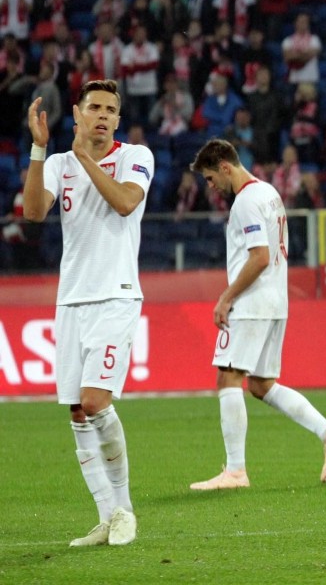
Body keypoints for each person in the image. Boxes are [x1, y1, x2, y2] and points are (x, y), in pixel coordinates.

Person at [23, 80, 154, 547]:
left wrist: (83, 158)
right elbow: (34, 211)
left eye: (110, 109)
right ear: (76, 114)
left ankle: (126, 512)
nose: (102, 114)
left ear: (118, 119)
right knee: (77, 412)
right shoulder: (57, 163)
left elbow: (124, 203)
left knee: (96, 401)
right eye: (93, 107)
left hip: (116, 296)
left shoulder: (137, 156)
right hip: (70, 299)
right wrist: (40, 151)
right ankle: (106, 517)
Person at [188, 139, 326, 490]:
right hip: (276, 302)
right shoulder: (269, 193)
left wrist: (226, 297)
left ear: (225, 167)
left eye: (209, 177)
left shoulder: (246, 202)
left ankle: (235, 471)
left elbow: (259, 257)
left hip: (251, 303)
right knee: (262, 386)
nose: (211, 186)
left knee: (228, 379)